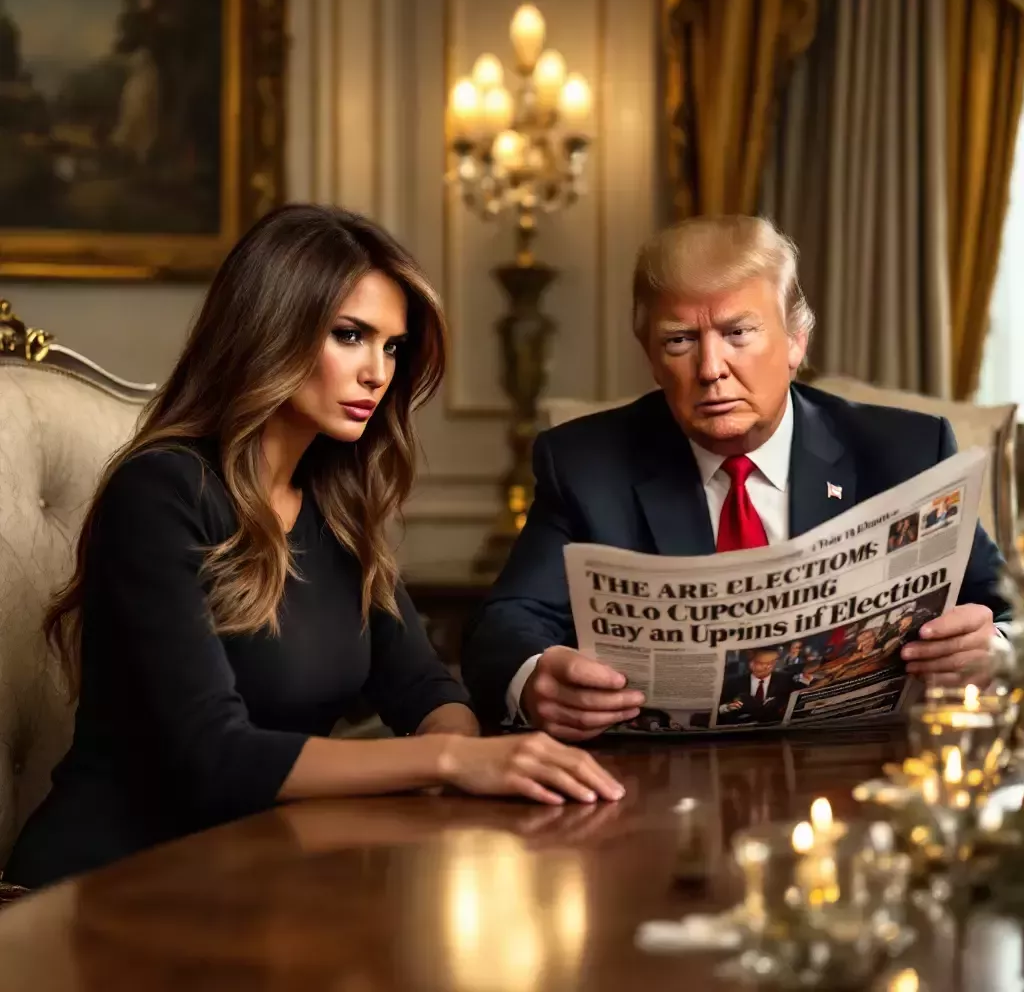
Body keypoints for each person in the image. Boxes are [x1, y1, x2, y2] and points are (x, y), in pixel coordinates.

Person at [4, 205, 623, 889]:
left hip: (259, 877)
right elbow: (214, 756)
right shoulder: (160, 492)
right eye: (351, 336)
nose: (377, 373)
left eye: (392, 347)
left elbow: (424, 687)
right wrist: (452, 763)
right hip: (106, 891)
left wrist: (457, 741)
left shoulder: (338, 507)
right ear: (270, 330)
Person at [461, 215, 1012, 740]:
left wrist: (996, 646)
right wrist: (534, 681)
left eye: (738, 333)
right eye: (679, 340)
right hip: (657, 787)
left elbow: (1010, 607)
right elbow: (504, 628)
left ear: (796, 341)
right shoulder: (586, 463)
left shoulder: (907, 451)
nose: (710, 369)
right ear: (651, 358)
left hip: (861, 768)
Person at [718, 648, 796, 725]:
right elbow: (719, 709)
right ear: (751, 663)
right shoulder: (734, 683)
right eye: (761, 663)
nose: (766, 667)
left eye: (771, 663)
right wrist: (726, 708)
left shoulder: (786, 680)